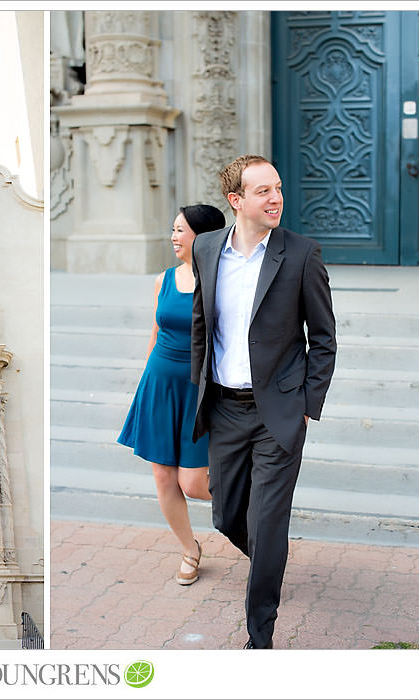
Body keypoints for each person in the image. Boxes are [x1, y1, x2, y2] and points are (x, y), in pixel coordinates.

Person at [190, 155, 336, 648]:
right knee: (227, 515)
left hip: (278, 411)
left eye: (277, 188)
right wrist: (199, 389)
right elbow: (200, 326)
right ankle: (269, 563)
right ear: (236, 202)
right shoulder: (207, 248)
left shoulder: (300, 253)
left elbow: (324, 337)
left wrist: (306, 405)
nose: (276, 198)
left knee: (268, 521)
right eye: (263, 192)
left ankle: (261, 636)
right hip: (225, 408)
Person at [118, 204, 226, 585]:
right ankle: (189, 550)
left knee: (194, 484)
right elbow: (155, 332)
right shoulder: (163, 279)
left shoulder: (222, 280)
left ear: (204, 236)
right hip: (160, 385)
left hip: (199, 390)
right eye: (173, 229)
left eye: (181, 230)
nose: (174, 237)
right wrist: (146, 384)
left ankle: (251, 504)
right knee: (163, 477)